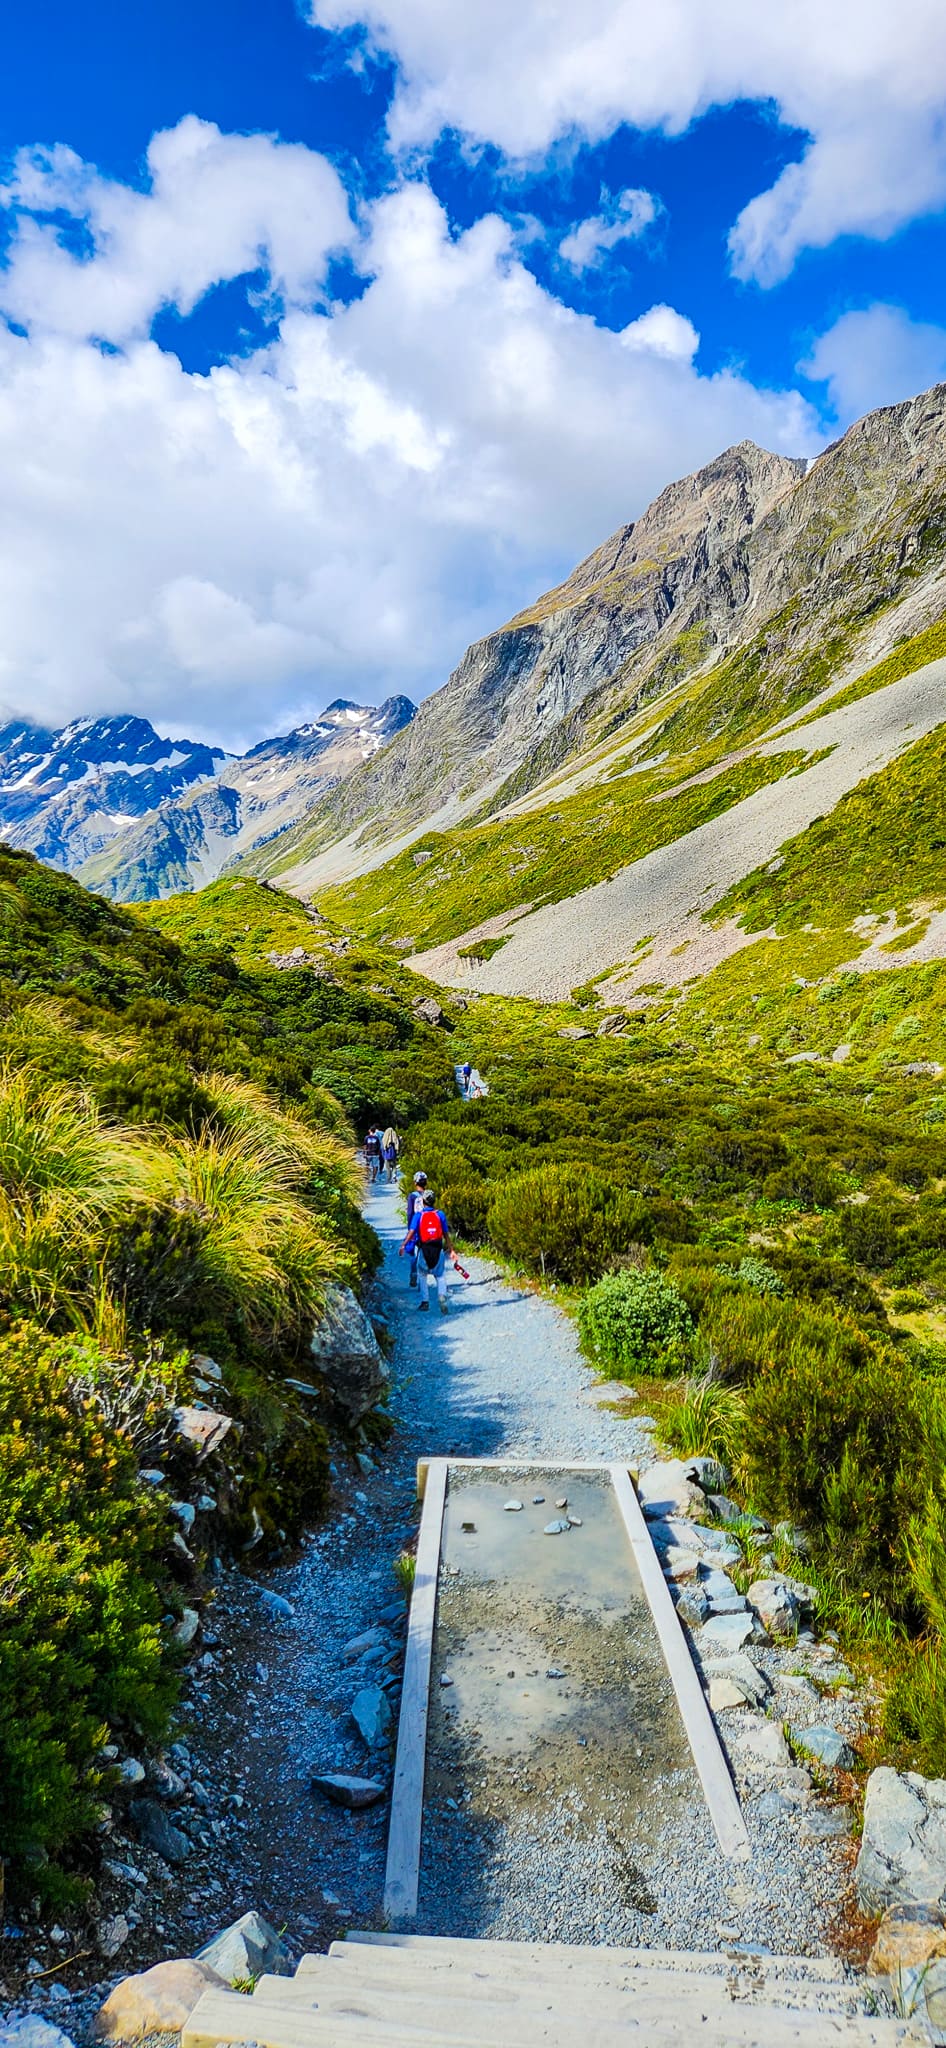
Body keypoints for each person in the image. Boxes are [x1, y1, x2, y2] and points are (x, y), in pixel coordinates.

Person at [402, 1190, 453, 1315]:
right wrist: (451, 1248)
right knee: (440, 1276)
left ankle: (425, 1302)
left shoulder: (418, 1216)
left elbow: (412, 1232)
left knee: (422, 1275)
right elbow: (446, 1234)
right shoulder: (440, 1215)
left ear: (423, 1201)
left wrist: (404, 1245)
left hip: (423, 1249)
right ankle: (442, 1296)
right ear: (434, 1201)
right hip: (438, 1249)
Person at [404, 1171, 428, 1288]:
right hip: (427, 1228)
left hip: (415, 1227)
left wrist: (410, 1229)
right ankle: (423, 1276)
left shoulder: (412, 1196)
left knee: (413, 1252)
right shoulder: (429, 1195)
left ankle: (414, 1273)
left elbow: (409, 1213)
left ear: (415, 1182)